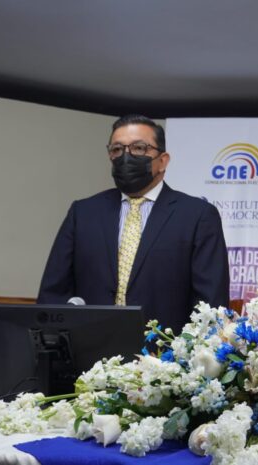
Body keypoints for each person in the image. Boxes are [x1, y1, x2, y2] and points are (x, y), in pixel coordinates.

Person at [38, 115, 230, 333]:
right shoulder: (83, 213)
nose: (126, 157)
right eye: (117, 149)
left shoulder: (197, 215)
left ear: (163, 160)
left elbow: (210, 303)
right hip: (90, 347)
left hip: (164, 349)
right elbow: (53, 293)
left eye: (139, 148)